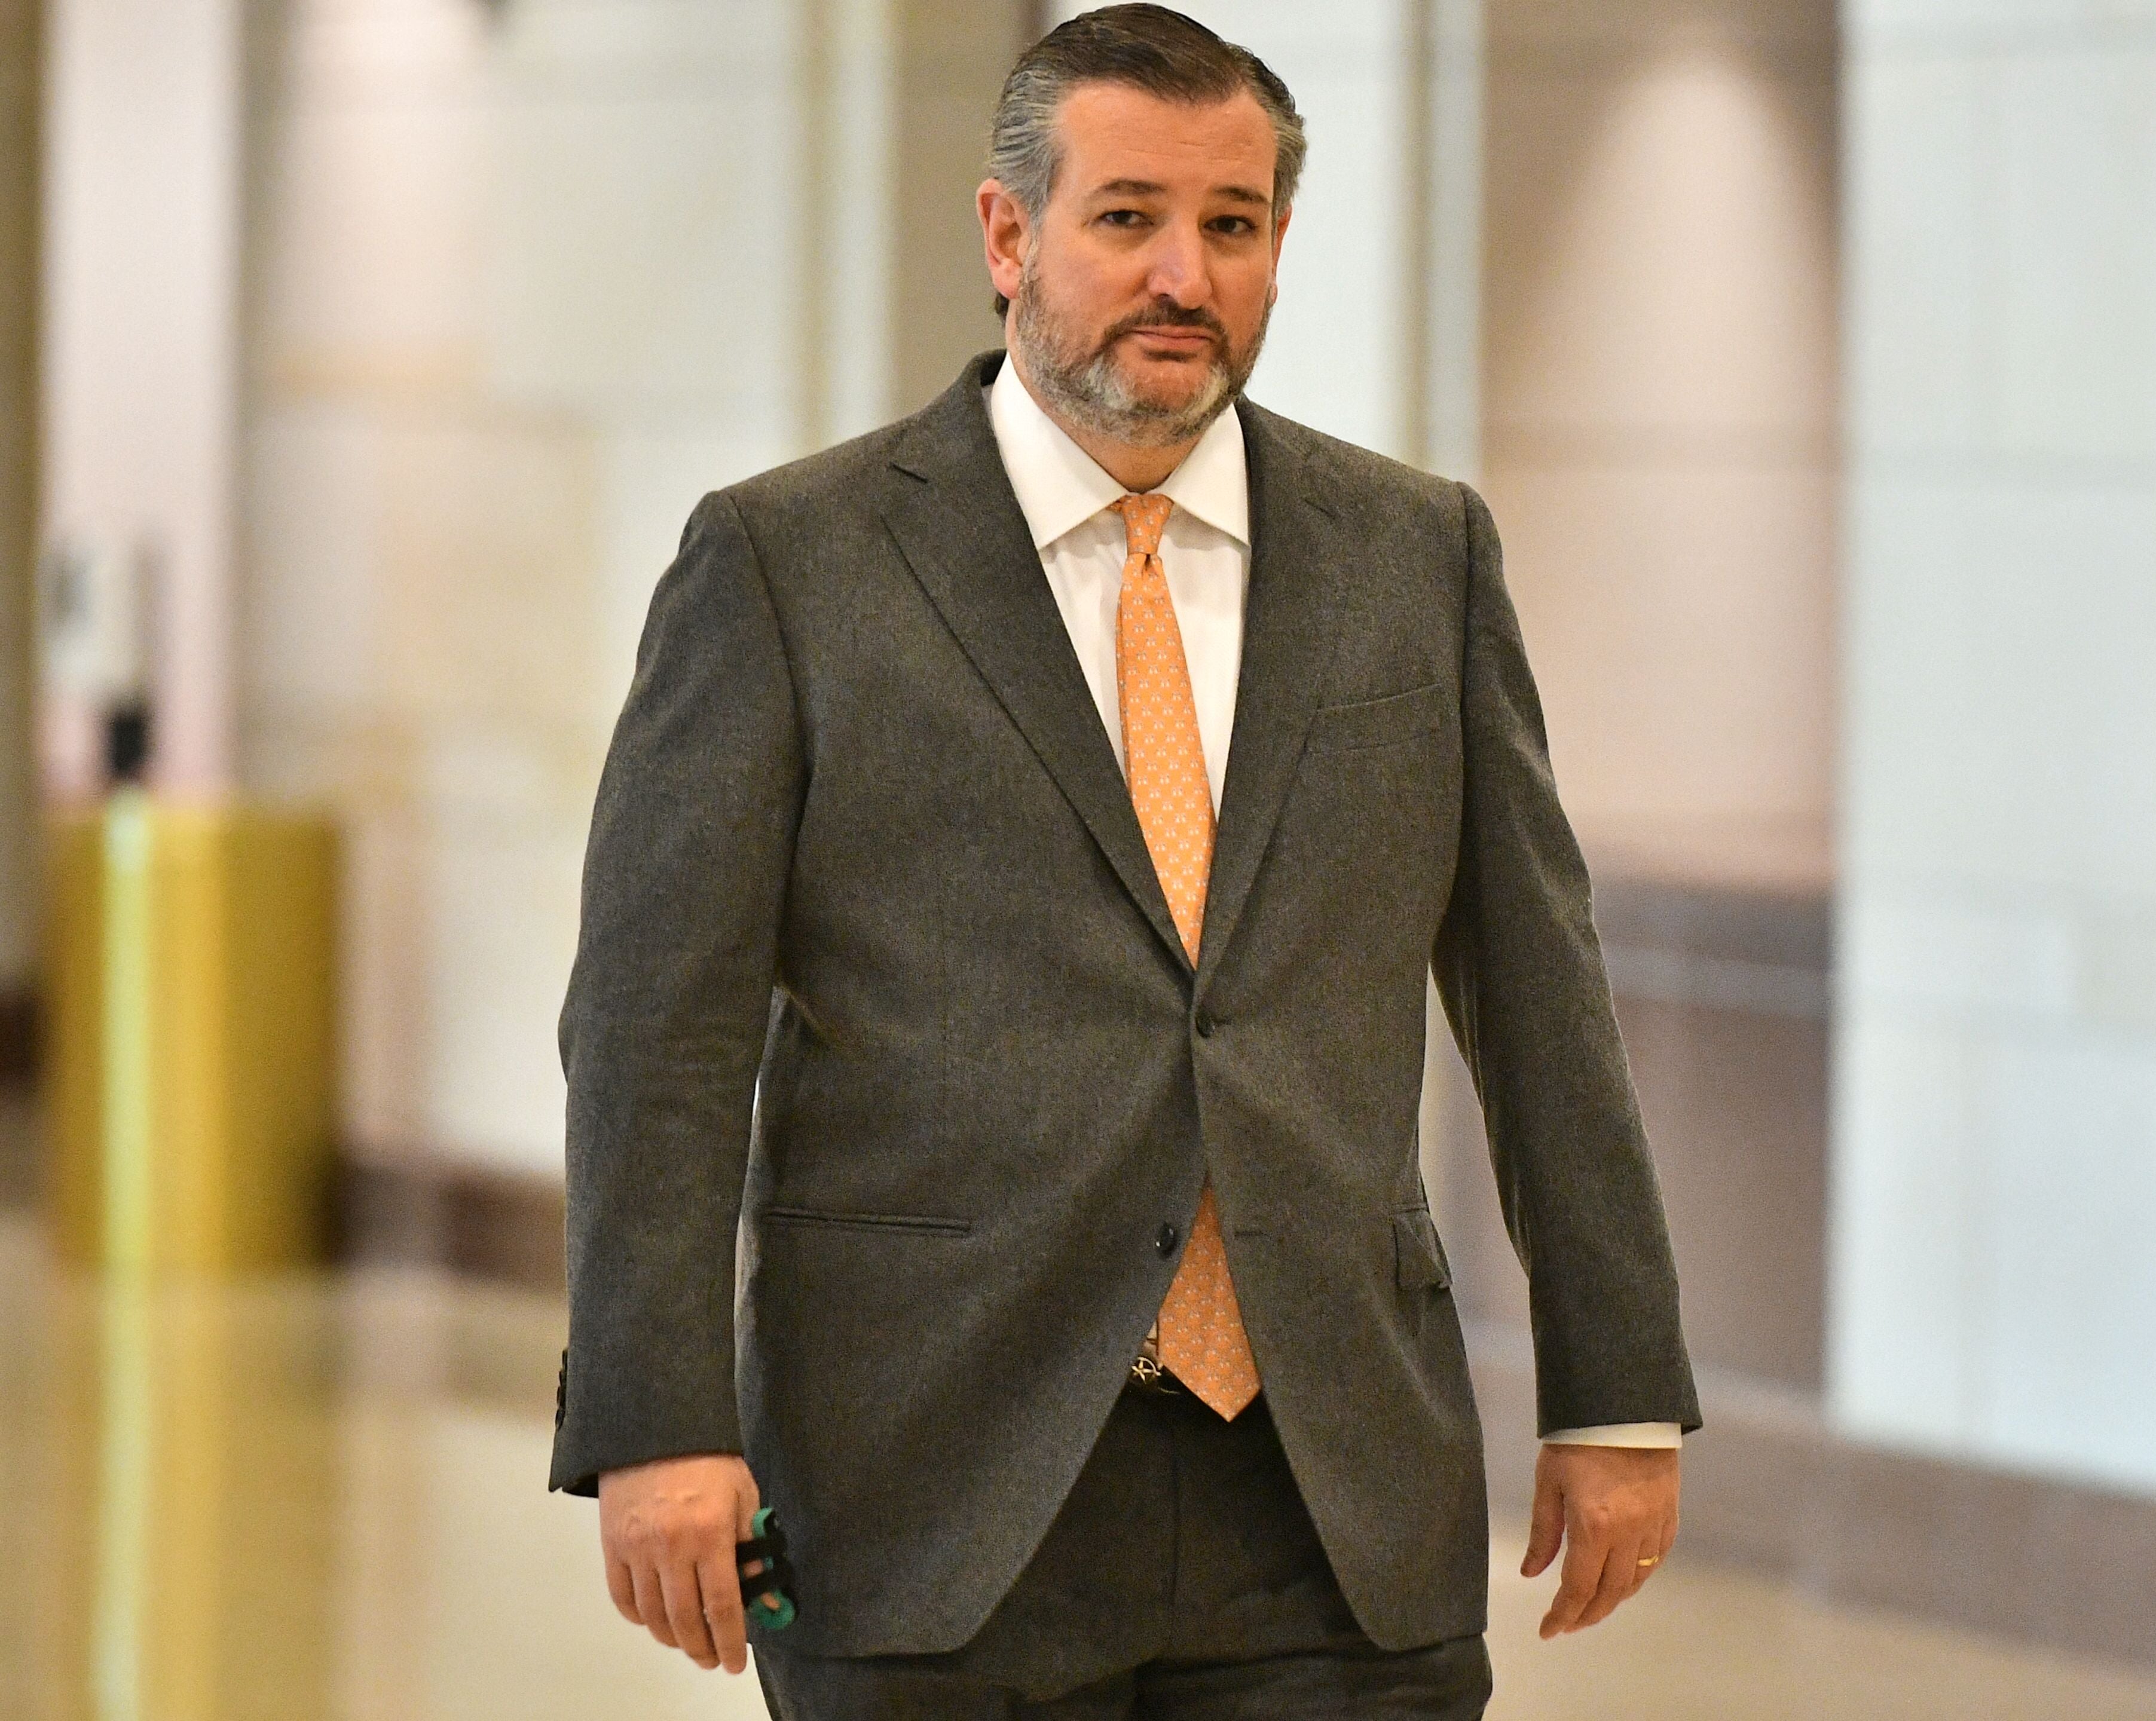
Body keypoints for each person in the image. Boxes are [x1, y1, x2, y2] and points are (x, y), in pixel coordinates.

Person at [548, 7, 1700, 1716]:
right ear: (1011, 235)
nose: (1185, 272)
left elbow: (1541, 998)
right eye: (1128, 217)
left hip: (1331, 1498)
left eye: (1231, 227)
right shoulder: (789, 568)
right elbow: (662, 1035)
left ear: (1279, 250)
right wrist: (659, 1421)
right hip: (929, 1491)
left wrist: (1615, 1390)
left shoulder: (1418, 559)